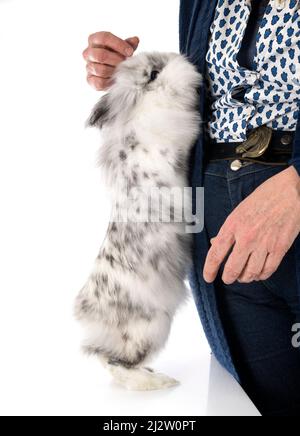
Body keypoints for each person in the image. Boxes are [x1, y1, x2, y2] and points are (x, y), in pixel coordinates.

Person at [82, 0, 300, 416]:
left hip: (288, 197)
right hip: (215, 220)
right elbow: (218, 91)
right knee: (259, 401)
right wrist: (137, 79)